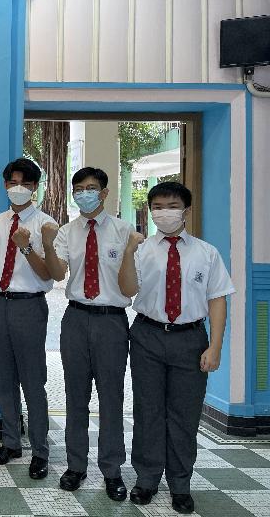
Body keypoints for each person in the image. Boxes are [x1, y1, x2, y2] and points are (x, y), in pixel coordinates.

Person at [119, 181, 234, 514]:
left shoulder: (206, 253)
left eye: (171, 206)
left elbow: (218, 300)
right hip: (147, 335)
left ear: (186, 210)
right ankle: (147, 479)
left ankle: (180, 484)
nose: (164, 213)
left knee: (184, 415)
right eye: (157, 207)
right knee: (148, 412)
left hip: (190, 338)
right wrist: (128, 252)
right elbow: (127, 290)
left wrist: (215, 347)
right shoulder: (142, 250)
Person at [42, 167, 132, 500]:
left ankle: (112, 469)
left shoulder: (124, 231)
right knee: (75, 396)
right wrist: (48, 244)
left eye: (91, 188)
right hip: (76, 319)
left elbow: (131, 283)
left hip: (112, 321)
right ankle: (76, 465)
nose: (84, 194)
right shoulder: (68, 232)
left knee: (111, 397)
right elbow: (56, 273)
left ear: (104, 193)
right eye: (78, 189)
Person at [0, 158, 55, 479]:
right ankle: (11, 443)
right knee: (5, 380)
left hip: (30, 307)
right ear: (5, 185)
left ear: (35, 187)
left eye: (25, 183)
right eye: (12, 183)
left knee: (33, 382)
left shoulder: (46, 224)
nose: (18, 188)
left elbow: (49, 273)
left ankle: (40, 450)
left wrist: (26, 248)